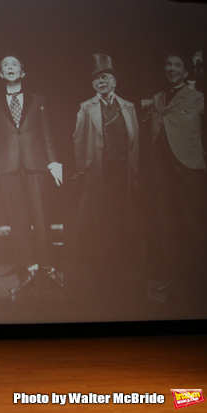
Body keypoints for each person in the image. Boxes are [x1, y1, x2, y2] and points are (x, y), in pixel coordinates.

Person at [0, 55, 63, 294]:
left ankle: (48, 269)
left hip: (36, 164)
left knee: (41, 217)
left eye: (14, 64)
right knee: (18, 221)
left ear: (22, 72)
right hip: (7, 167)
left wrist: (54, 162)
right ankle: (30, 270)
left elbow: (46, 134)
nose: (10, 67)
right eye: (5, 65)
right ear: (0, 74)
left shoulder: (38, 100)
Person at [71, 54, 139, 279]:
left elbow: (135, 142)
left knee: (122, 214)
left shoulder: (128, 107)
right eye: (97, 80)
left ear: (114, 82)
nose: (102, 82)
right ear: (93, 85)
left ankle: (122, 262)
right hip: (99, 171)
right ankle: (102, 264)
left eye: (106, 78)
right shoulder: (86, 107)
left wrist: (134, 171)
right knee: (100, 216)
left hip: (122, 170)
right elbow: (79, 140)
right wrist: (82, 169)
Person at [150, 52, 207, 292]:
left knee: (192, 221)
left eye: (177, 65)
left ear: (185, 72)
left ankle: (202, 277)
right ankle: (173, 276)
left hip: (188, 165)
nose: (171, 68)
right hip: (161, 167)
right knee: (166, 221)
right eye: (168, 64)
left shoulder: (199, 97)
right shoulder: (158, 98)